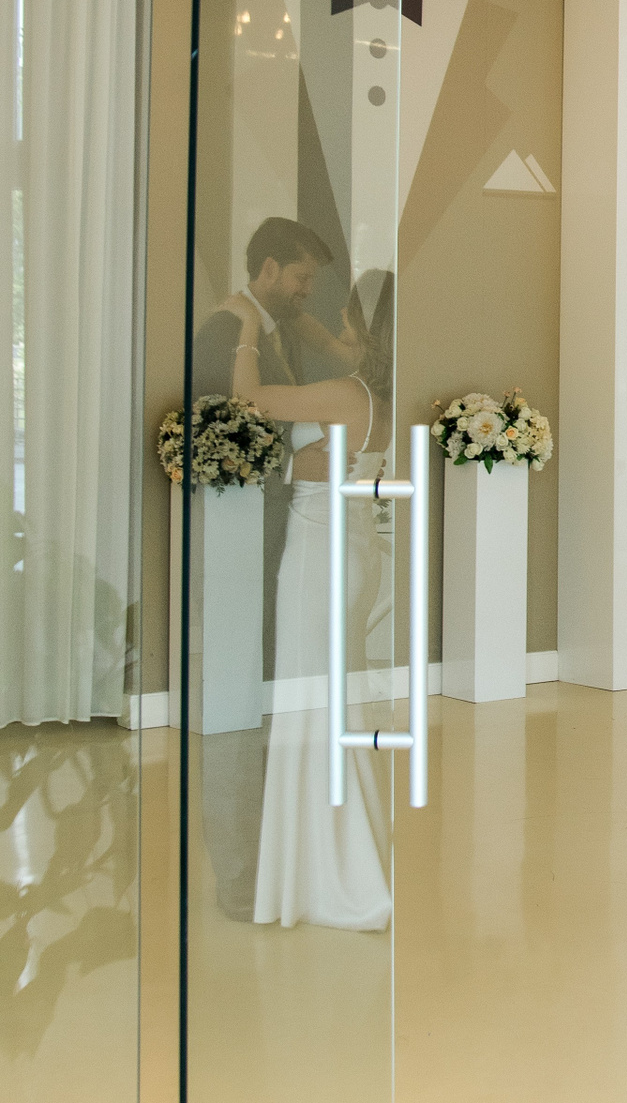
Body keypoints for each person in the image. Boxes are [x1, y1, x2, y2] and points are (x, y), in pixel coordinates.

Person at [224, 269, 395, 932]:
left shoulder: (347, 393)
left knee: (308, 703)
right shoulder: (376, 394)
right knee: (332, 700)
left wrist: (245, 325)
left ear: (363, 324)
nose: (337, 322)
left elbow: (250, 400)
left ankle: (324, 873)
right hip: (351, 551)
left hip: (319, 556)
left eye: (346, 313)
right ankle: (336, 858)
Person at [189, 216, 334, 922]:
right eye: (301, 277)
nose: (306, 290)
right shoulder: (227, 330)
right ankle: (241, 875)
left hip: (275, 531)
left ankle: (267, 859)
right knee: (239, 703)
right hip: (245, 536)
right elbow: (218, 433)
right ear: (269, 268)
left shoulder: (272, 330)